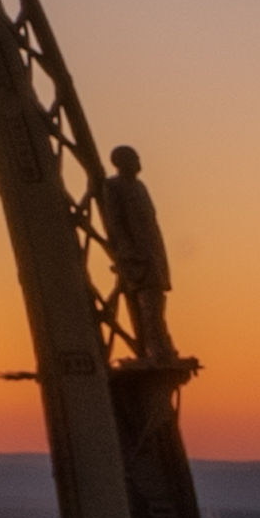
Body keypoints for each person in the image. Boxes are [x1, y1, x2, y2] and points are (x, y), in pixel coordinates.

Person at [103, 140, 187, 385]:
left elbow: (151, 224)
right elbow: (115, 223)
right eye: (135, 158)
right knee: (148, 307)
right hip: (138, 257)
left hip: (152, 253)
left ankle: (161, 347)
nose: (139, 163)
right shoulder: (114, 186)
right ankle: (156, 349)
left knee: (156, 305)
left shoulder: (139, 186)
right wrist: (129, 255)